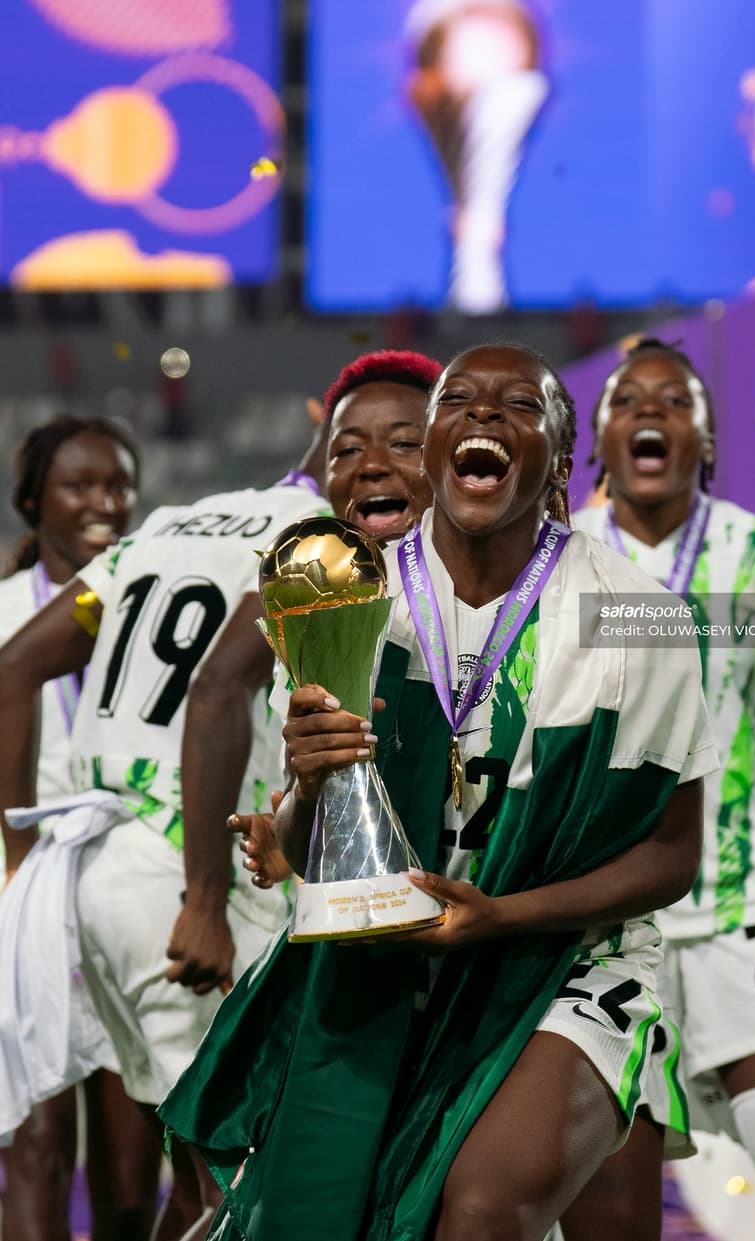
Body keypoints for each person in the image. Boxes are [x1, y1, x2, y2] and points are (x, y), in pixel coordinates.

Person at [159, 342, 718, 1241]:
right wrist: (307, 782)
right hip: (383, 961)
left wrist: (498, 916)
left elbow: (669, 853)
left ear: (564, 464)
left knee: (481, 1211)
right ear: (434, 445)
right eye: (460, 398)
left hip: (564, 958)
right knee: (268, 1209)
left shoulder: (638, 614)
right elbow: (314, 849)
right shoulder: (347, 591)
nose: (486, 414)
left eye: (521, 406)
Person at [0, 449, 330, 1240]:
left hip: (90, 871)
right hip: (187, 868)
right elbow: (217, 689)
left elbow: (14, 666)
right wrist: (205, 899)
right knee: (243, 1182)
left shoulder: (169, 524)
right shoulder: (310, 538)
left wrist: (19, 863)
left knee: (174, 1183)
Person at [571, 337, 755, 1241]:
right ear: (597, 440)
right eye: (627, 401)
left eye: (676, 401)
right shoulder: (554, 558)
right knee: (604, 1193)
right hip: (602, 916)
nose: (650, 412)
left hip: (745, 897)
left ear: (706, 442)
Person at [181, 349, 442, 910]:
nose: (371, 464)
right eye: (345, 449)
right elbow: (307, 813)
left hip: (527, 927)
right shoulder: (316, 606)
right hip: (379, 923)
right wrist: (295, 818)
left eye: (404, 443)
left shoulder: (552, 582)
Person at [0, 415, 163, 1241]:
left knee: (133, 1181)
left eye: (119, 485)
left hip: (125, 907)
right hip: (16, 904)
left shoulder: (161, 615)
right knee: (35, 1149)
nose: (105, 502)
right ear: (34, 501)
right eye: (80, 485)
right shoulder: (0, 615)